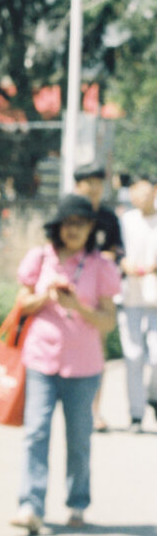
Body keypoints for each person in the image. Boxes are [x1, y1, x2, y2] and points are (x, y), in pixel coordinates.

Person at [10, 194, 121, 534]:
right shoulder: (40, 257)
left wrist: (78, 306)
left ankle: (77, 502)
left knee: (79, 438)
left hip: (83, 365)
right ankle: (30, 505)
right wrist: (46, 297)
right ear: (59, 226)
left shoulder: (101, 266)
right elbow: (21, 305)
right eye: (69, 223)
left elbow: (108, 322)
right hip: (41, 359)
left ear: (92, 229)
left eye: (82, 224)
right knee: (36, 433)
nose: (75, 230)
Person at [73, 166, 124, 431]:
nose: (93, 188)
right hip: (65, 291)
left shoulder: (108, 217)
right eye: (88, 182)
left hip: (97, 294)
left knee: (96, 351)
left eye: (98, 183)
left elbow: (116, 251)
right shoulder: (67, 212)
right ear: (77, 185)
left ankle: (94, 410)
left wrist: (102, 264)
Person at [118, 179, 157, 432]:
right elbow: (115, 251)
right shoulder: (126, 221)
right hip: (130, 296)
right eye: (137, 193)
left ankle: (153, 396)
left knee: (155, 357)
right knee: (133, 356)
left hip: (155, 299)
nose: (141, 198)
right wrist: (124, 265)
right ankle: (136, 414)